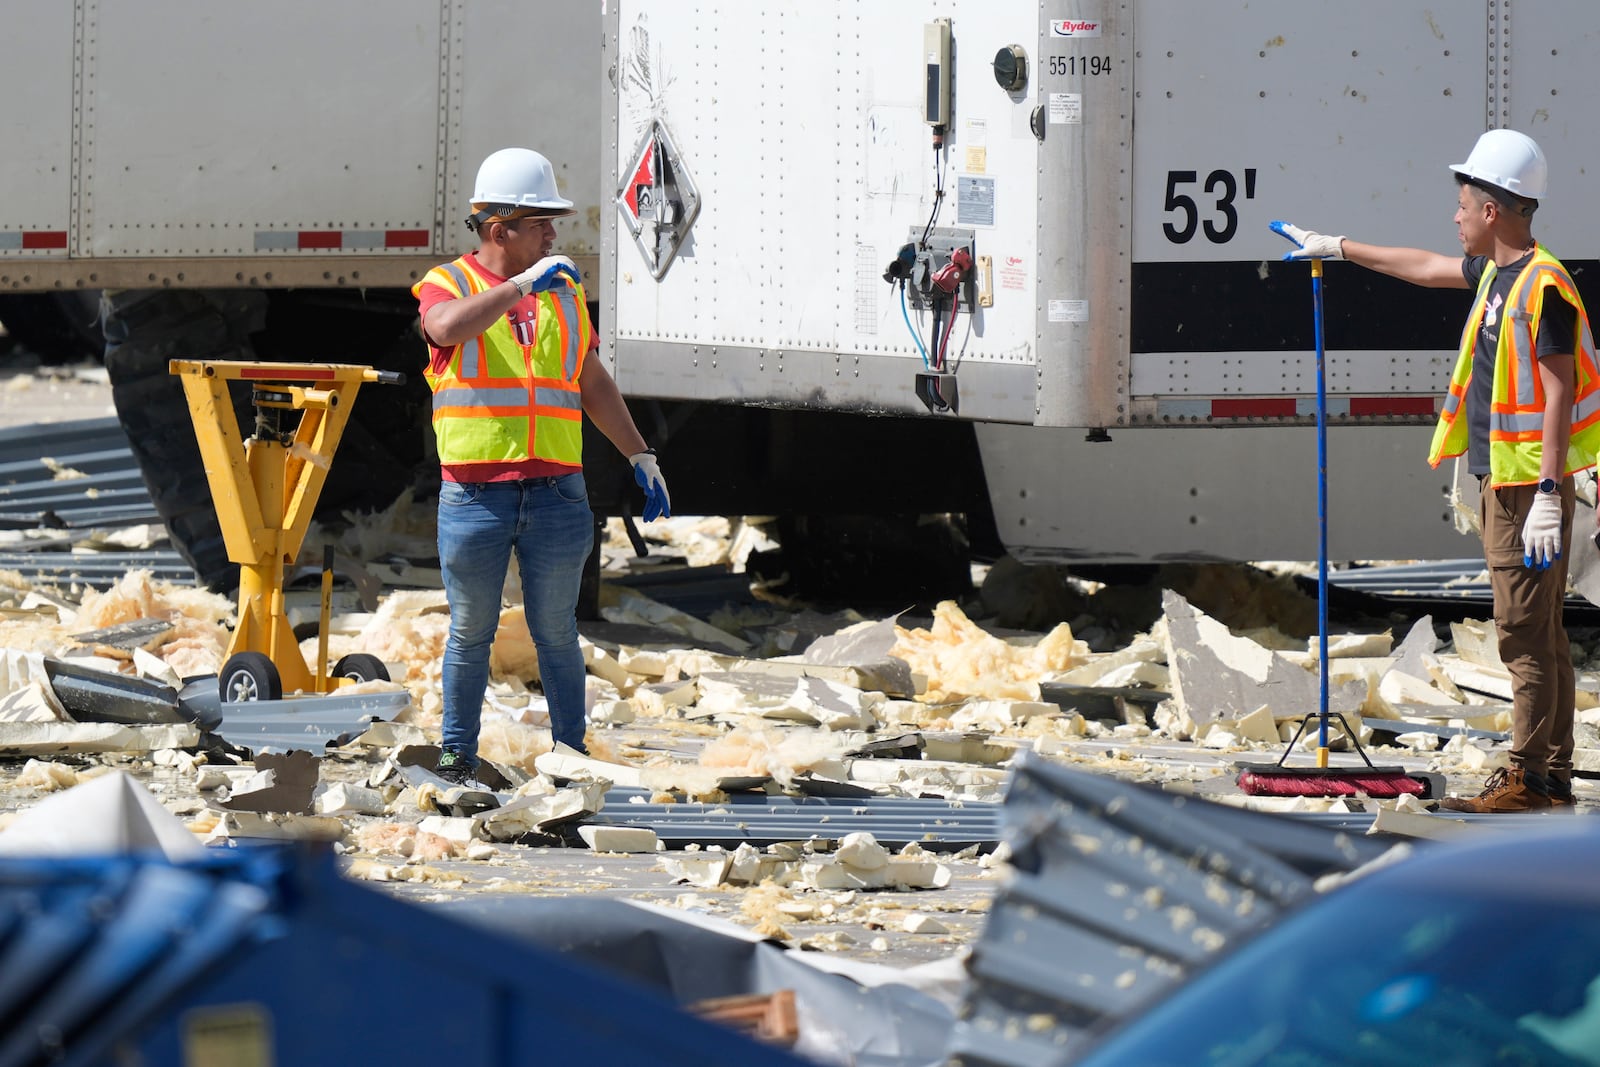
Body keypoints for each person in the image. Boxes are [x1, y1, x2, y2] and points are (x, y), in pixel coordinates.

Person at [1274, 129, 1600, 812]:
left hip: (1523, 490)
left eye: (1462, 204)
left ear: (1493, 210)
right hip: (1504, 484)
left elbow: (1560, 390)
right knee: (1540, 632)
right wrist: (1338, 248)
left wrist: (1546, 490)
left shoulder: (1544, 287)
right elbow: (1422, 267)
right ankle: (1549, 776)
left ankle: (1529, 779)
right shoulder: (1498, 276)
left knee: (1521, 632)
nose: (1453, 217)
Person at [412, 147, 671, 786]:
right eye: (540, 223)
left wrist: (640, 455)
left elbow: (590, 380)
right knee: (471, 630)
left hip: (557, 491)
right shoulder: (452, 284)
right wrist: (520, 287)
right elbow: (442, 330)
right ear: (499, 230)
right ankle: (456, 756)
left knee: (556, 629)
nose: (554, 234)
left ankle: (570, 756)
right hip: (476, 495)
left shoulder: (563, 293)